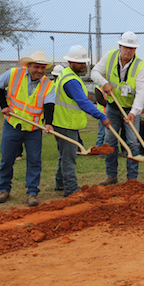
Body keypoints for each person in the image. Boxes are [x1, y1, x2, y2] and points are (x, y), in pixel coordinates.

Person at [47, 46, 111, 197]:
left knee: (64, 154)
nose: (83, 65)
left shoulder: (67, 74)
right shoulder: (71, 80)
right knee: (69, 157)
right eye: (79, 62)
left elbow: (78, 97)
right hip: (65, 122)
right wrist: (101, 116)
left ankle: (60, 183)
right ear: (70, 62)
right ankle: (70, 189)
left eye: (84, 62)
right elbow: (83, 102)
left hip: (64, 121)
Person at [0, 51, 55, 207]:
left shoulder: (48, 84)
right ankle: (4, 189)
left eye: (43, 68)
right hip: (12, 124)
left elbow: (49, 105)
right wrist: (4, 106)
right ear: (29, 66)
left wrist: (48, 123)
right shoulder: (14, 74)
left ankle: (32, 192)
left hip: (33, 129)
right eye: (36, 67)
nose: (40, 71)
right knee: (7, 158)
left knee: (34, 161)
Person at [91, 31, 144, 184]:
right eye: (126, 47)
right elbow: (94, 72)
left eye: (132, 48)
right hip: (113, 107)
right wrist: (104, 83)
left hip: (130, 109)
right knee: (110, 141)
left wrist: (134, 112)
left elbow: (142, 92)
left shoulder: (140, 66)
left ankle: (132, 178)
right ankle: (111, 175)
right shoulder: (109, 56)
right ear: (120, 46)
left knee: (132, 142)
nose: (128, 51)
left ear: (135, 50)